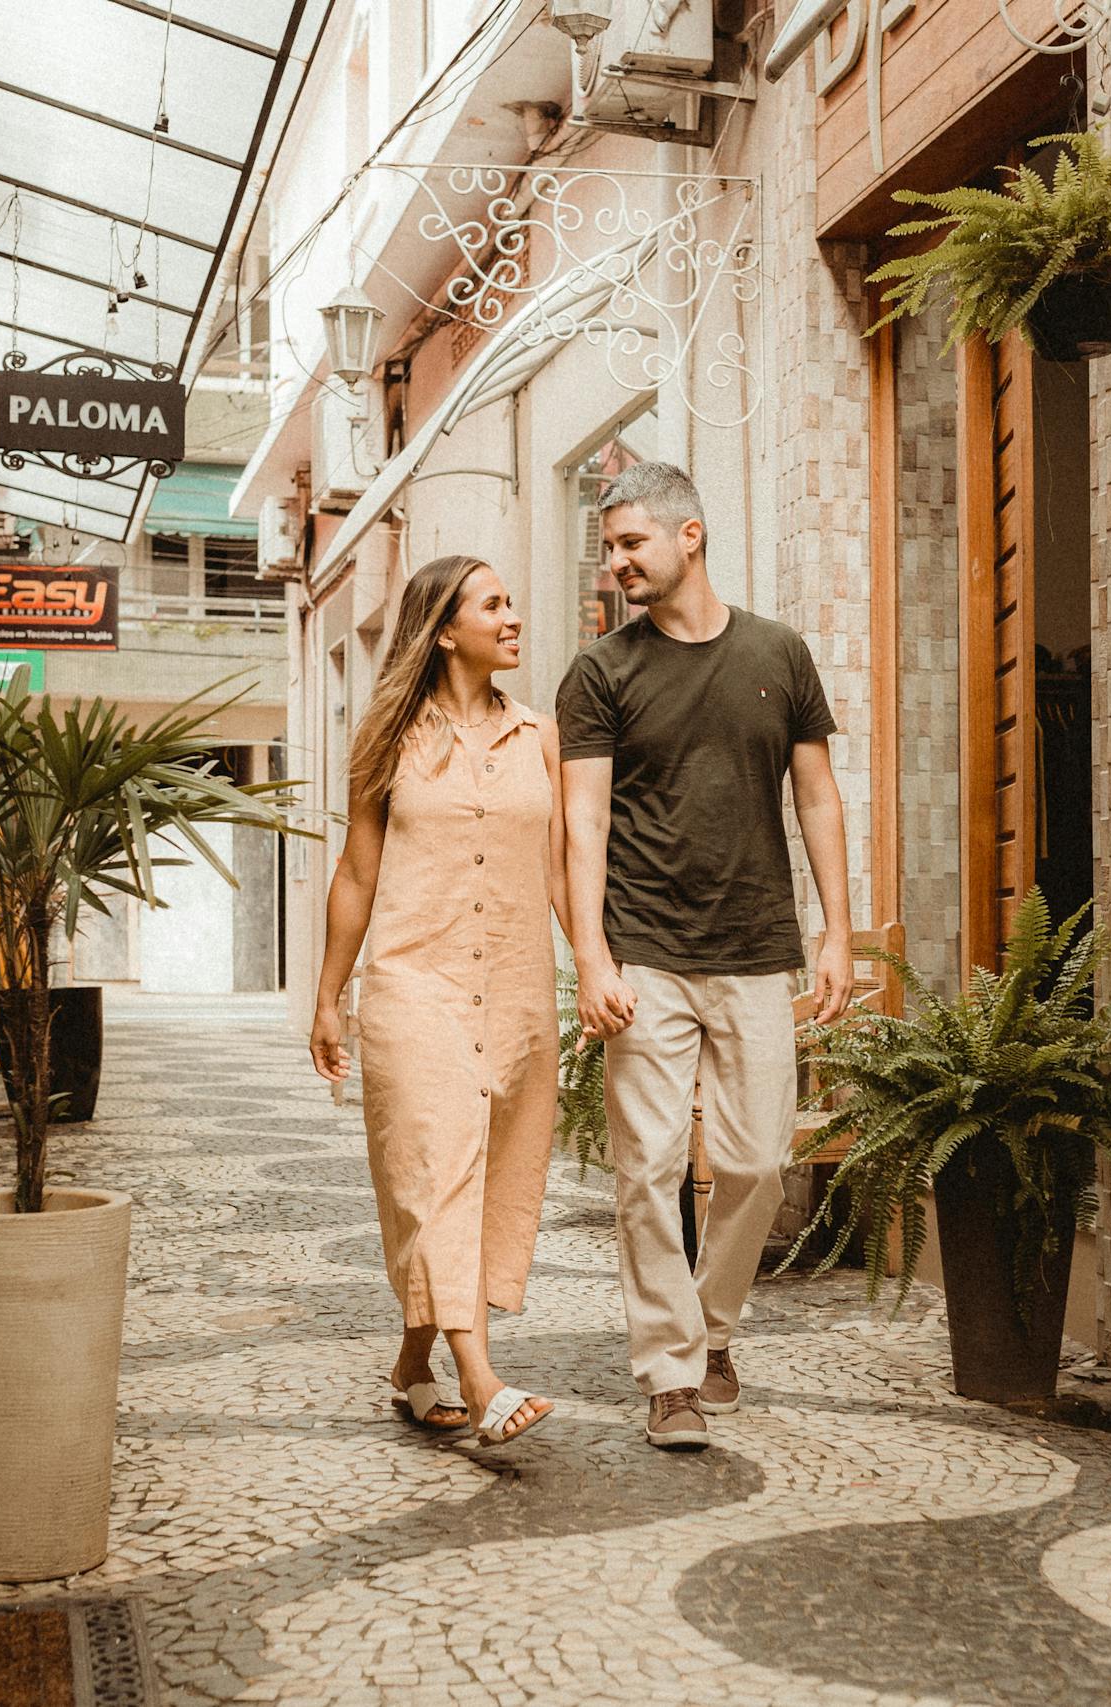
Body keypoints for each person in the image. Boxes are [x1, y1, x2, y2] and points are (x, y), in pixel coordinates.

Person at [556, 461, 854, 1451]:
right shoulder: (601, 673)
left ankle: (709, 1327)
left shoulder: (778, 653)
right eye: (610, 548)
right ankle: (672, 1375)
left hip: (755, 947)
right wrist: (591, 955)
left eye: (630, 543)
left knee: (758, 1162)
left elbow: (815, 796)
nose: (616, 564)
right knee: (648, 1168)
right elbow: (582, 822)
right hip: (643, 953)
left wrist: (836, 932)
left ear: (690, 536)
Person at [309, 555, 565, 1446]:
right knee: (439, 1162)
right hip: (415, 984)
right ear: (445, 629)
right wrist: (328, 996)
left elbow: (564, 868)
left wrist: (603, 965)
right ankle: (481, 1374)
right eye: (493, 603)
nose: (512, 616)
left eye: (509, 600)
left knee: (488, 1178)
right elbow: (356, 871)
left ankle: (413, 1361)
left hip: (519, 988)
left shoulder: (541, 734)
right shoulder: (389, 739)